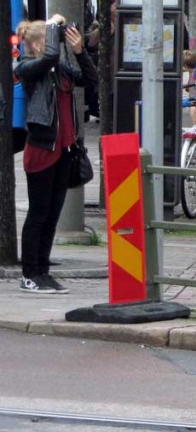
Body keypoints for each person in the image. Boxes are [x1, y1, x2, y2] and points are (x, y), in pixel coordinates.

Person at [15, 15, 97, 294]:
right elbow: (49, 56)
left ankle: (43, 272)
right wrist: (52, 27)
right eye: (48, 39)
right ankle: (29, 274)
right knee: (38, 214)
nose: (55, 44)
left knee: (52, 214)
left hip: (64, 150)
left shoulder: (59, 69)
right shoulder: (27, 67)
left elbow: (89, 78)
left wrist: (79, 51)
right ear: (37, 44)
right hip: (41, 150)